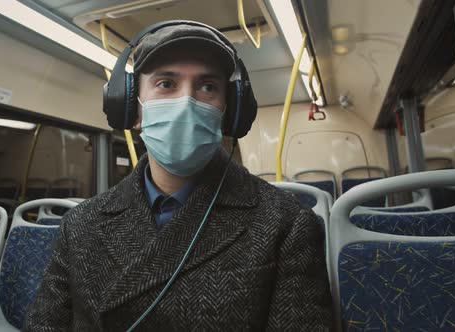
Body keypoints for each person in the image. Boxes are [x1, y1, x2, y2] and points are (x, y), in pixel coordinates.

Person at [24, 21, 332, 331]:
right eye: (166, 84)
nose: (186, 103)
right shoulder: (80, 225)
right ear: (130, 105)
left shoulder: (287, 225)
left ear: (230, 109)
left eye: (208, 86)